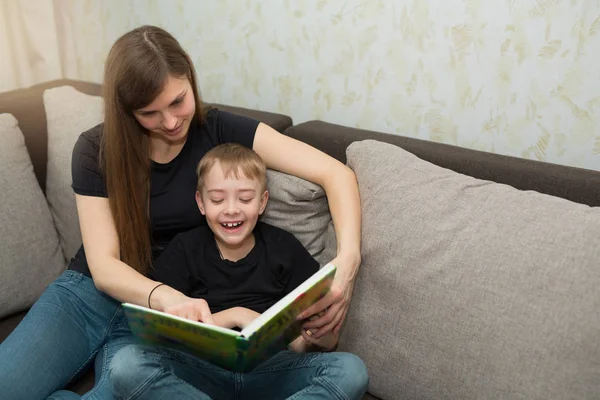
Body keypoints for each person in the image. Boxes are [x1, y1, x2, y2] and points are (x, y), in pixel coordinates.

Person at [0, 25, 362, 400]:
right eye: (149, 113)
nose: (171, 122)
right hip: (90, 295)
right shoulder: (95, 149)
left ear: (190, 76)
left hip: (156, 319)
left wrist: (347, 263)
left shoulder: (221, 129)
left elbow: (336, 174)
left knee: (128, 384)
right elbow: (104, 267)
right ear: (125, 108)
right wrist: (166, 297)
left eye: (178, 101)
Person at [108, 143, 368, 399]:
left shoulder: (284, 248)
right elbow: (165, 334)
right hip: (201, 371)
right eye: (217, 199)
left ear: (262, 202)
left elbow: (300, 344)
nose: (231, 209)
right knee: (126, 365)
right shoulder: (184, 249)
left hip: (273, 370)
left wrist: (320, 337)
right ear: (201, 203)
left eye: (245, 198)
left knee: (351, 370)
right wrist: (237, 316)